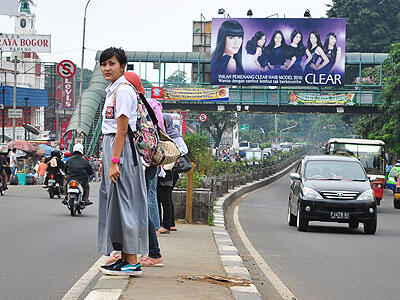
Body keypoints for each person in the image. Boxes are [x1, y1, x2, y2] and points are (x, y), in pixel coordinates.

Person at [97, 47, 148, 276]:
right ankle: (124, 257)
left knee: (126, 203)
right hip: (112, 147)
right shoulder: (112, 90)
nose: (107, 68)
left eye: (111, 64)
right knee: (115, 204)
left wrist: (115, 161)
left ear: (122, 67)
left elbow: (122, 130)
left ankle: (133, 262)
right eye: (104, 64)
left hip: (121, 150)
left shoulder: (124, 91)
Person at [157, 113, 188, 234]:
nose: (162, 123)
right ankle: (171, 223)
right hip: (166, 169)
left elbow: (184, 150)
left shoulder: (175, 135)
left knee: (164, 197)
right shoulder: (164, 134)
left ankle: (165, 225)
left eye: (163, 121)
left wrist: (171, 153)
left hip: (170, 171)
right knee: (167, 197)